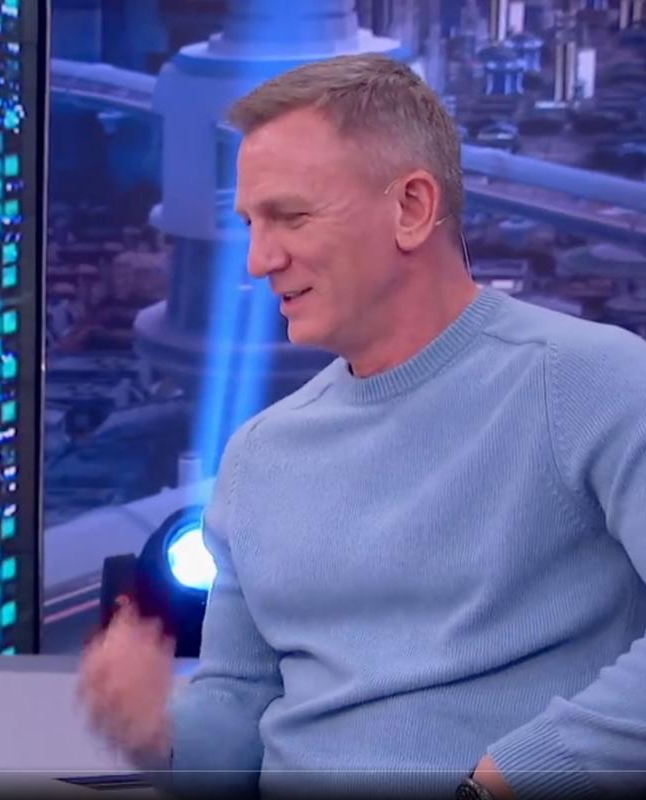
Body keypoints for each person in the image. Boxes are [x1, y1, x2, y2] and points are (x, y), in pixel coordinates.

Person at [79, 53, 646, 799]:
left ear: (411, 208)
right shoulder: (260, 455)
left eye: (291, 216)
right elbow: (236, 722)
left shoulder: (591, 382)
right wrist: (160, 732)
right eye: (250, 224)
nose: (259, 260)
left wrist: (508, 780)